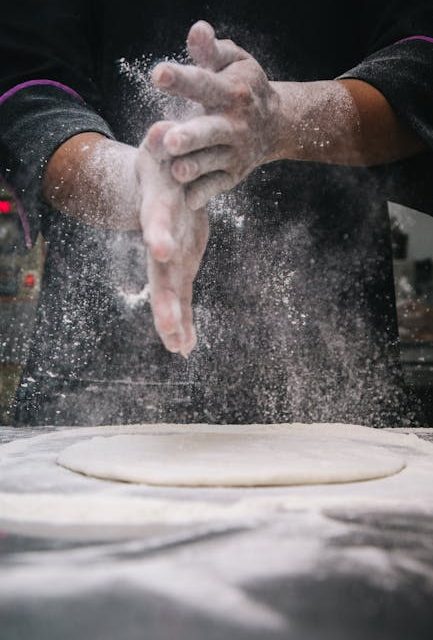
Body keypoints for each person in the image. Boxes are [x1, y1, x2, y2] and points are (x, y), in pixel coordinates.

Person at [1, 0, 433, 427]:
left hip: (335, 365)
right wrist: (133, 184)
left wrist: (287, 117)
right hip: (101, 379)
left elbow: (421, 60)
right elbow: (27, 86)